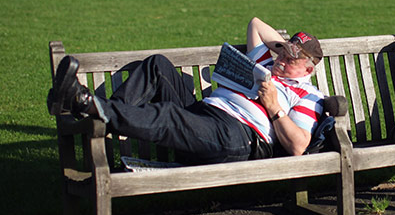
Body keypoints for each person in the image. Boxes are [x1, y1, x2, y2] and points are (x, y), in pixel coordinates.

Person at [47, 17, 325, 163]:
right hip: (205, 113)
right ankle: (99, 116)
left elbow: (298, 146)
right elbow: (256, 23)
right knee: (158, 66)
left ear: (309, 69)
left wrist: (274, 107)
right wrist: (282, 48)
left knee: (168, 115)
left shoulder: (307, 95)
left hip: (237, 135)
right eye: (285, 51)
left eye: (292, 58)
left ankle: (84, 103)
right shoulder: (266, 59)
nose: (283, 59)